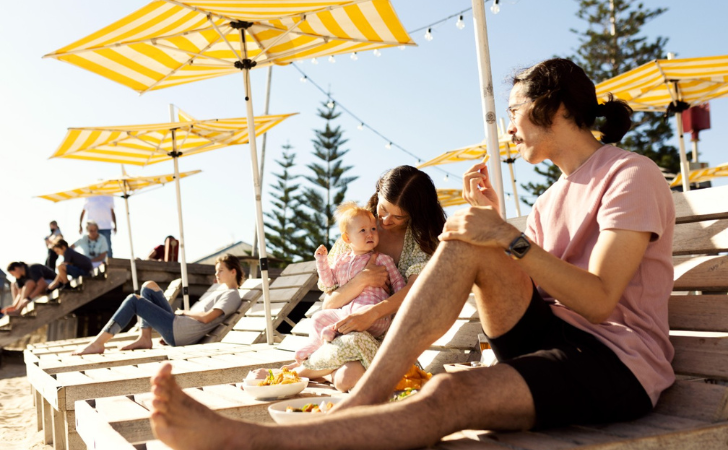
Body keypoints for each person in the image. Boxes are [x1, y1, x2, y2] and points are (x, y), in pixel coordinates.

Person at [148, 58, 676, 450]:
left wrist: (507, 239)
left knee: (448, 396)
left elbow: (601, 300)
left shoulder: (630, 174)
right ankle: (364, 398)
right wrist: (494, 229)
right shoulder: (550, 197)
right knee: (468, 234)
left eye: (514, 111)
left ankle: (266, 443)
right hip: (550, 340)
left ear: (556, 108)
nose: (508, 127)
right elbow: (532, 288)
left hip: (614, 365)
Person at [281, 165, 446, 392]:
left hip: (390, 335)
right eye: (383, 209)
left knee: (347, 379)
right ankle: (318, 368)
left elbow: (414, 290)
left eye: (398, 216)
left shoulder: (421, 239)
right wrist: (363, 280)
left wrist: (373, 313)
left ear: (414, 214)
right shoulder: (356, 225)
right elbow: (329, 303)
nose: (385, 220)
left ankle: (303, 373)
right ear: (378, 193)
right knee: (348, 371)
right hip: (347, 327)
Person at [288, 202, 406, 369]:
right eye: (363, 230)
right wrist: (321, 261)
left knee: (359, 312)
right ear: (347, 238)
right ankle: (314, 347)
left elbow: (398, 282)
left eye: (373, 229)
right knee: (318, 317)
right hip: (346, 313)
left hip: (373, 314)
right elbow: (329, 283)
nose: (370, 234)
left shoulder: (381, 259)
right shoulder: (341, 261)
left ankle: (333, 329)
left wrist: (397, 312)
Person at [72, 254, 244, 355]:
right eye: (216, 271)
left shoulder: (231, 295)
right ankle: (145, 338)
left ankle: (99, 343)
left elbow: (207, 318)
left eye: (220, 270)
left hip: (180, 332)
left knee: (134, 300)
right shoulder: (221, 291)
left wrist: (184, 312)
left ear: (233, 271)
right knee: (148, 286)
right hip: (178, 325)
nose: (217, 274)